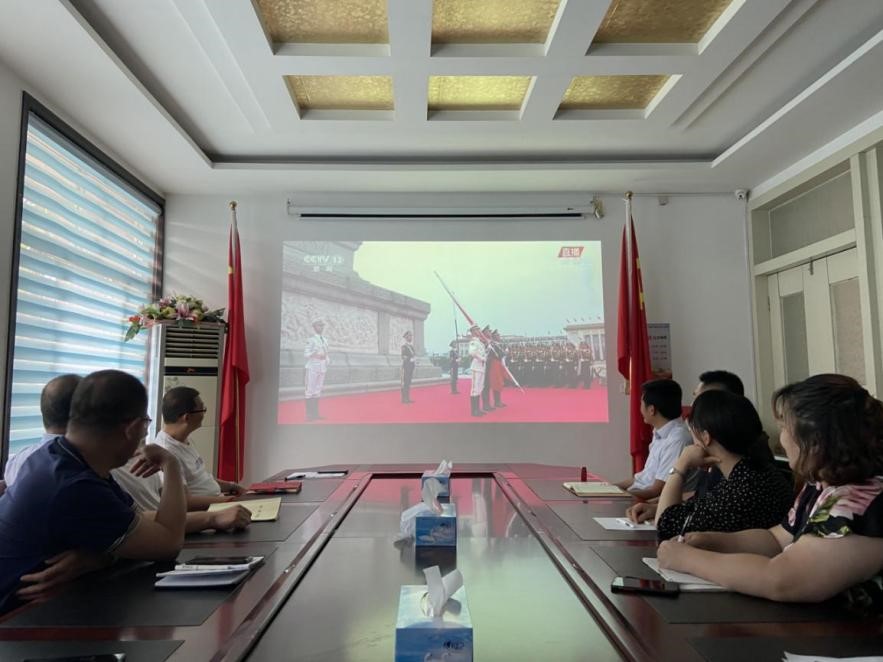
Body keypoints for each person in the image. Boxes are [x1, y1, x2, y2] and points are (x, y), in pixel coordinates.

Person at [658, 374, 883, 611]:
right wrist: (711, 540)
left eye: (784, 428)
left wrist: (688, 559)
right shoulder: (819, 486)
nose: (781, 439)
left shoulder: (860, 499)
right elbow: (777, 539)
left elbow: (783, 579)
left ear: (815, 440)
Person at [0, 370, 187, 611]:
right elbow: (168, 544)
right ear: (132, 428)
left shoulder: (60, 456)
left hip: (48, 609)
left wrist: (100, 556)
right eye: (146, 424)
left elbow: (139, 523)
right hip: (17, 620)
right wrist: (171, 464)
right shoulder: (74, 485)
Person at [627, 390, 792, 539]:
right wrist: (657, 508)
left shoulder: (743, 486)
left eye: (692, 431)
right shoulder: (753, 471)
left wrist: (680, 465)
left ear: (705, 437)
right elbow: (699, 507)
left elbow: (666, 526)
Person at [151, 386, 246, 502]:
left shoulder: (184, 440)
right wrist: (230, 501)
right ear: (187, 417)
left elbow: (201, 479)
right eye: (202, 409)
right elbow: (185, 502)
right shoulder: (167, 451)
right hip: (209, 509)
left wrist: (232, 486)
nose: (204, 413)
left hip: (219, 501)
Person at [613, 379, 694, 501]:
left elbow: (656, 491)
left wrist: (617, 496)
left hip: (647, 503)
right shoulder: (659, 431)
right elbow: (642, 479)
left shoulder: (678, 439)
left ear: (652, 410)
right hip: (637, 495)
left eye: (641, 403)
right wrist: (609, 488)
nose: (640, 409)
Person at [303, 318, 330, 421]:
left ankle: (316, 414)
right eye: (319, 326)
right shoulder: (311, 340)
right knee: (310, 390)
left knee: (318, 390)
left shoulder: (325, 340)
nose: (321, 327)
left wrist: (327, 360)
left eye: (322, 326)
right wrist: (315, 354)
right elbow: (306, 354)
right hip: (313, 367)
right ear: (314, 327)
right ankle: (309, 415)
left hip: (322, 367)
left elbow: (326, 353)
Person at [468, 324, 487, 418]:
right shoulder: (473, 342)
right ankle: (474, 411)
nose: (479, 331)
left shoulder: (479, 342)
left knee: (480, 388)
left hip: (481, 367)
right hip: (476, 367)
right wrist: (482, 358)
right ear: (473, 331)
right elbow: (472, 353)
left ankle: (478, 409)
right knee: (475, 389)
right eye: (477, 330)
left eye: (479, 329)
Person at [401, 330, 416, 404]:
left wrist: (414, 360)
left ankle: (407, 398)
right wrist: (410, 359)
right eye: (410, 336)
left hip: (411, 367)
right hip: (406, 367)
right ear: (406, 337)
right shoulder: (404, 347)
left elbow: (413, 355)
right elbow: (403, 357)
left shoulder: (411, 347)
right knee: (405, 383)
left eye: (411, 336)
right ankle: (404, 399)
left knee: (409, 383)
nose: (411, 337)